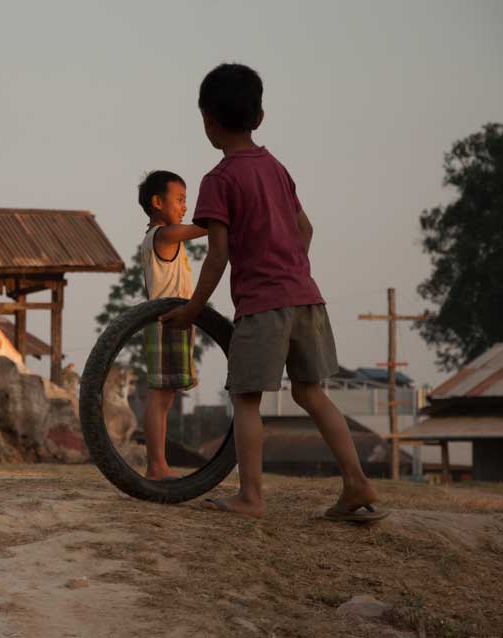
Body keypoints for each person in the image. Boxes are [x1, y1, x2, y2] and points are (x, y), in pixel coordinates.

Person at [160, 64, 386, 521]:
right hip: (306, 297)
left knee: (246, 398)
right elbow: (305, 228)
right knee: (311, 393)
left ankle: (251, 498)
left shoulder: (219, 180)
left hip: (263, 307)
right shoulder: (277, 168)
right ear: (259, 117)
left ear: (207, 120)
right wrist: (289, 269)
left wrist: (193, 309)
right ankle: (357, 483)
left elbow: (218, 255)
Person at [137, 170, 207, 480]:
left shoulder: (158, 236)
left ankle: (158, 463)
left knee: (165, 396)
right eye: (179, 200)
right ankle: (156, 465)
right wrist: (225, 214)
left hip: (173, 322)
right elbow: (202, 228)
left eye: (185, 201)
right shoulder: (164, 235)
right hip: (166, 321)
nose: (183, 207)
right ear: (157, 202)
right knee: (160, 395)